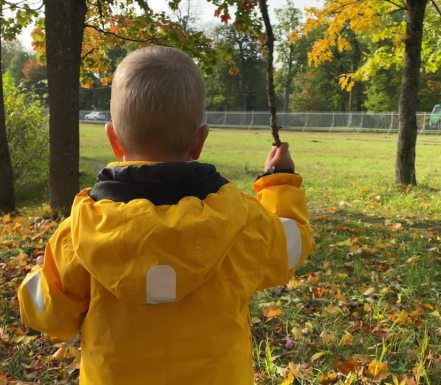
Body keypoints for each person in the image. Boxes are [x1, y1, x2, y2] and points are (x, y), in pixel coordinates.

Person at [17, 46, 313, 385]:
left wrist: (37, 277)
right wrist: (278, 184)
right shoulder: (240, 220)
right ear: (200, 140)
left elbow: (50, 316)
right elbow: (291, 243)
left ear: (114, 138)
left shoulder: (80, 234)